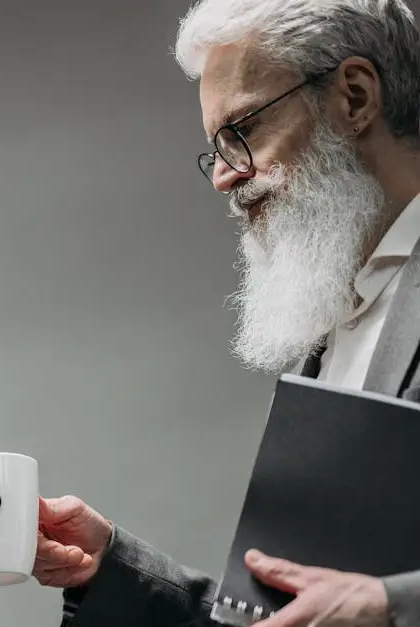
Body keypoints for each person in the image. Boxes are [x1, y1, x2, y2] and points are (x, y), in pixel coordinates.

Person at [36, 1, 420, 626]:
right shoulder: (333, 325)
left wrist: (388, 605)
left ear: (354, 96)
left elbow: (360, 605)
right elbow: (286, 613)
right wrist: (108, 568)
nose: (223, 176)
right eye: (216, 148)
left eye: (244, 129)